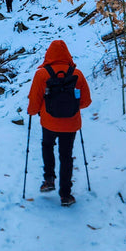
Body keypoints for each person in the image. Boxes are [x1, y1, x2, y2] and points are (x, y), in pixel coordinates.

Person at [27, 39, 91, 206]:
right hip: (71, 123)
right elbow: (85, 102)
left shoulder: (42, 74)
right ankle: (66, 195)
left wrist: (32, 111)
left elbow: (35, 100)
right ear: (67, 55)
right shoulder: (77, 74)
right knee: (66, 155)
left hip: (49, 121)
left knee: (47, 146)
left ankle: (49, 179)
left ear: (49, 54)